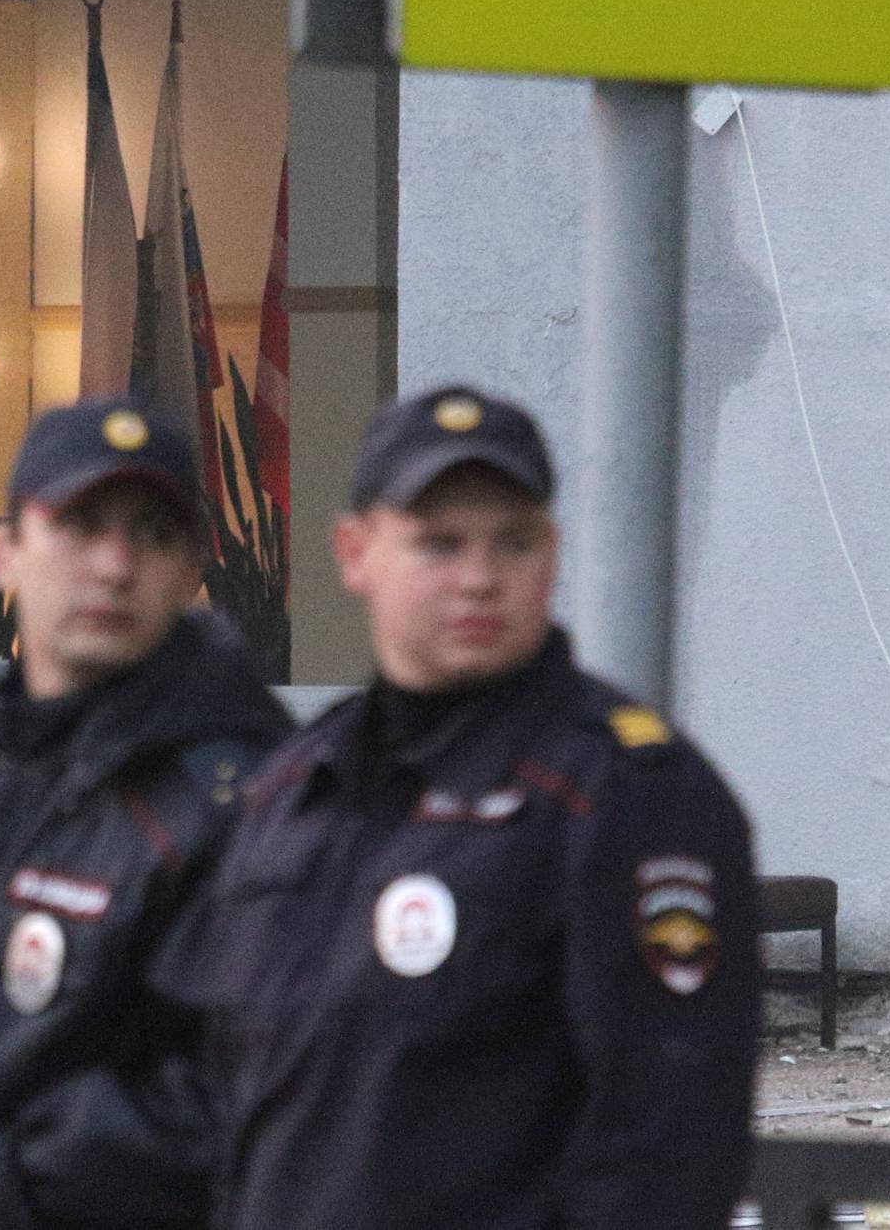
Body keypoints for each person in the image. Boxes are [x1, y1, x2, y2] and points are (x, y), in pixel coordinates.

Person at [173, 385, 759, 1230]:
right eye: (439, 544)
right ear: (354, 551)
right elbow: (230, 1098)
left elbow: (667, 1145)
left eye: (512, 542)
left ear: (552, 554)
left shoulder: (627, 794)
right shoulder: (297, 787)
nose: (479, 578)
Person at [0, 397, 291, 1230]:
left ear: (190, 572)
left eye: (152, 533)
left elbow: (248, 1100)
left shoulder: (241, 800)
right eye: (80, 525)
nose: (114, 564)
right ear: (5, 555)